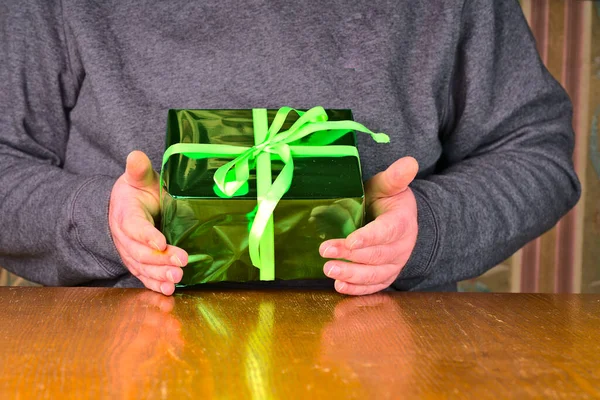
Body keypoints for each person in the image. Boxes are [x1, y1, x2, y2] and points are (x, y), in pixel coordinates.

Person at [0, 0, 580, 296]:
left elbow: (536, 150)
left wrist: (426, 225)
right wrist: (102, 221)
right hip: (113, 349)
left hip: (391, 350)